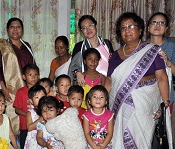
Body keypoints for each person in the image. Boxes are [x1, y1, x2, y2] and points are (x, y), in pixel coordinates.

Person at [106, 12, 172, 148]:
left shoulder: (152, 51)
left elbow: (162, 79)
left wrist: (164, 104)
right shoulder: (115, 56)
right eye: (123, 28)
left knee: (141, 142)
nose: (127, 31)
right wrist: (103, 103)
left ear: (140, 29)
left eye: (131, 26)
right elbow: (109, 81)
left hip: (144, 106)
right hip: (119, 104)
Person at [0, 17, 35, 135]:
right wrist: (4, 89)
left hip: (28, 89)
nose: (15, 29)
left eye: (18, 27)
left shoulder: (26, 46)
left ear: (22, 29)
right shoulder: (2, 46)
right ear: (8, 30)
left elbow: (33, 66)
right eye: (12, 27)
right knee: (13, 118)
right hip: (10, 90)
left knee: (28, 114)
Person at [147, 12, 175, 148]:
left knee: (165, 137)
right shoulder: (142, 47)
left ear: (167, 29)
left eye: (161, 23)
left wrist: (168, 62)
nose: (157, 25)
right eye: (154, 22)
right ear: (148, 27)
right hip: (147, 98)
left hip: (167, 98)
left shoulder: (172, 46)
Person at [68, 15, 113, 86]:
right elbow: (73, 66)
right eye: (84, 28)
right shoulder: (79, 46)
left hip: (106, 85)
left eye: (90, 25)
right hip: (86, 85)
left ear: (96, 26)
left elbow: (114, 65)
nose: (88, 29)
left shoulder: (107, 44)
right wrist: (78, 73)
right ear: (81, 31)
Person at [13, 64, 40, 149]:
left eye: (35, 75)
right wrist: (28, 115)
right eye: (30, 75)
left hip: (39, 125)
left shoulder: (41, 91)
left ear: (39, 76)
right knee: (25, 145)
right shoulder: (21, 92)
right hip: (25, 126)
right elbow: (17, 109)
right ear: (24, 77)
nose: (33, 77)